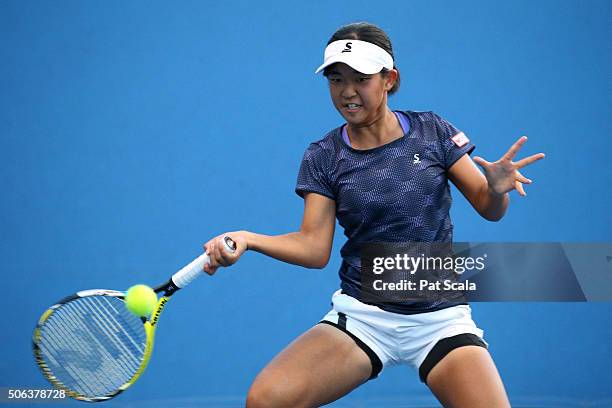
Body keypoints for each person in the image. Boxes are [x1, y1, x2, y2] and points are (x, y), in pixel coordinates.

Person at [203, 22, 544, 408]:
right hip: (364, 318)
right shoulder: (324, 156)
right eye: (336, 79)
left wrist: (497, 190)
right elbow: (314, 248)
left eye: (361, 78)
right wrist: (249, 239)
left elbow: (488, 207)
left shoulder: (432, 131)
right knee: (266, 400)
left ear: (389, 79)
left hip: (440, 319)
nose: (347, 91)